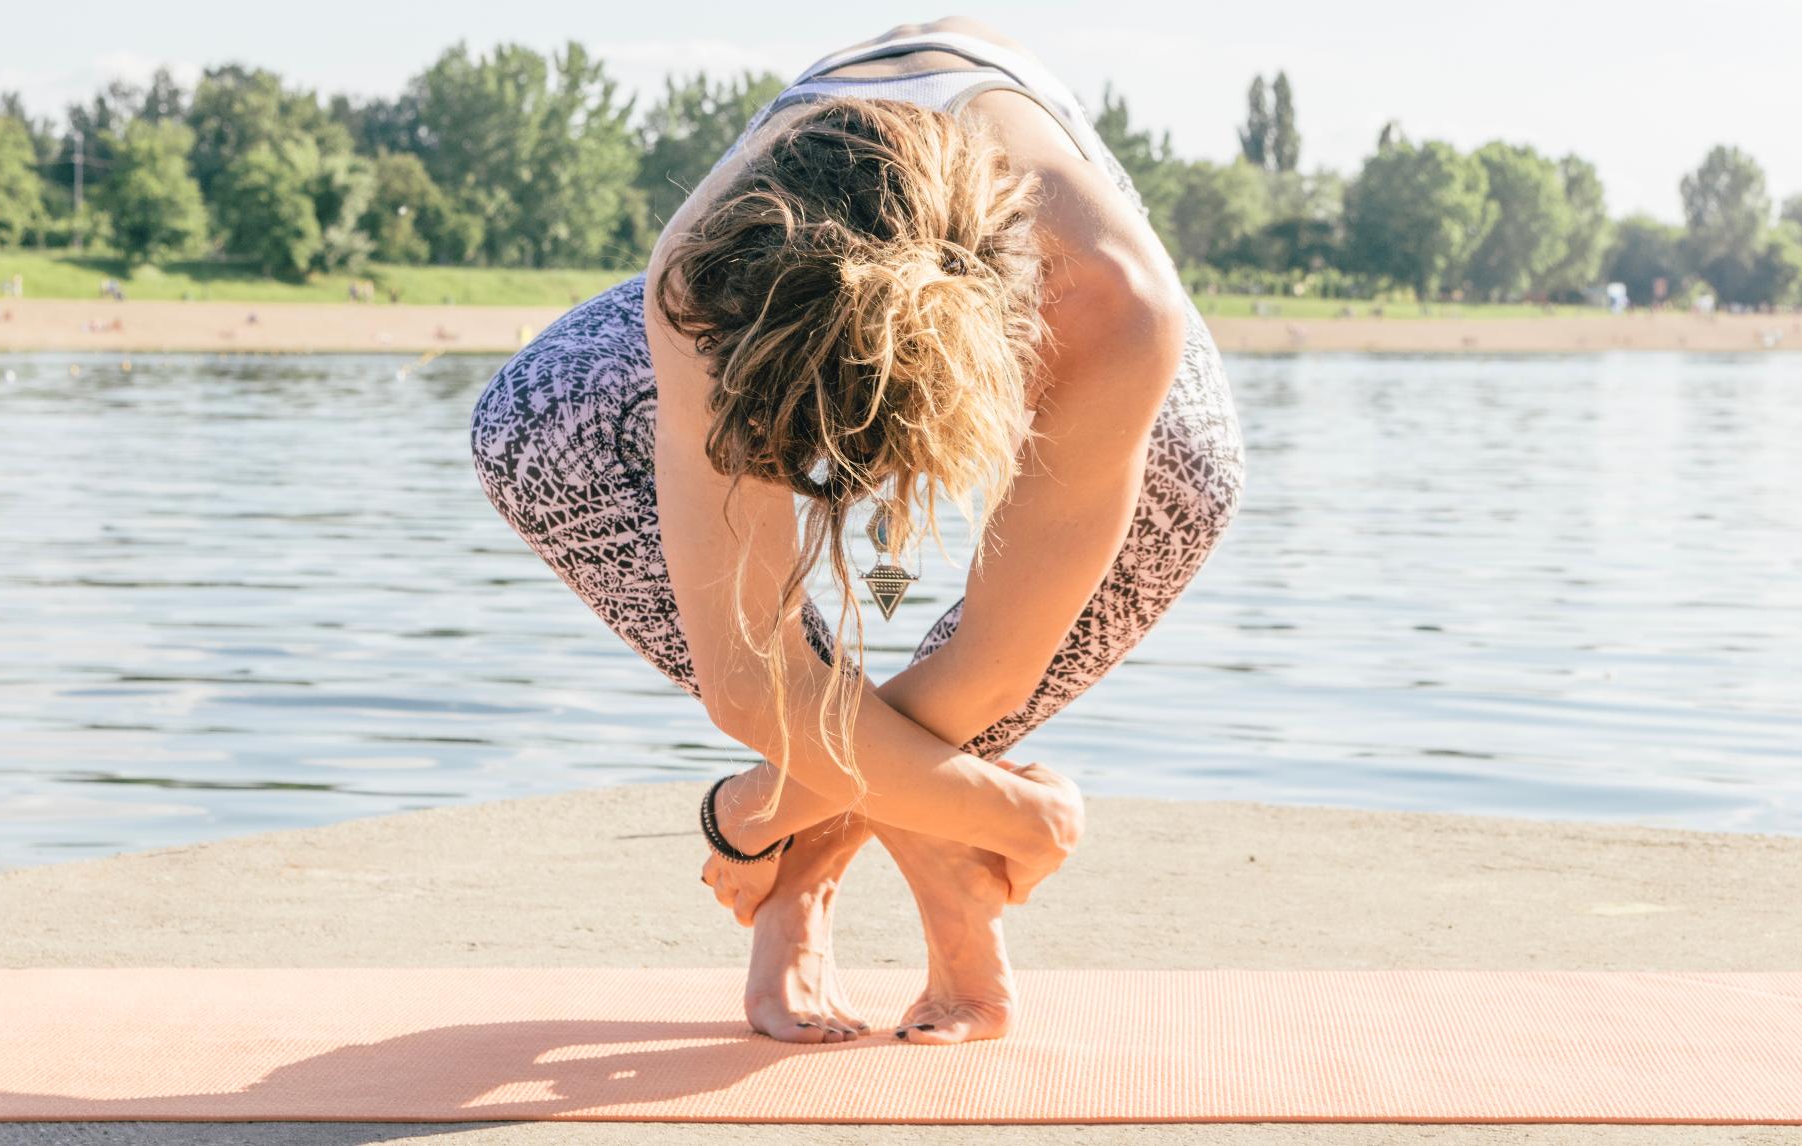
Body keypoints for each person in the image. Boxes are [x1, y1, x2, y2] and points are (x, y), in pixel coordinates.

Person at [470, 17, 1243, 1046]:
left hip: (1045, 291)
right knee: (534, 423)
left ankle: (812, 866)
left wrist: (753, 816)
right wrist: (1014, 816)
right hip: (782, 284)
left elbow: (994, 669)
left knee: (1188, 477)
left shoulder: (1110, 302)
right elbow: (750, 679)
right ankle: (928, 851)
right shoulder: (706, 290)